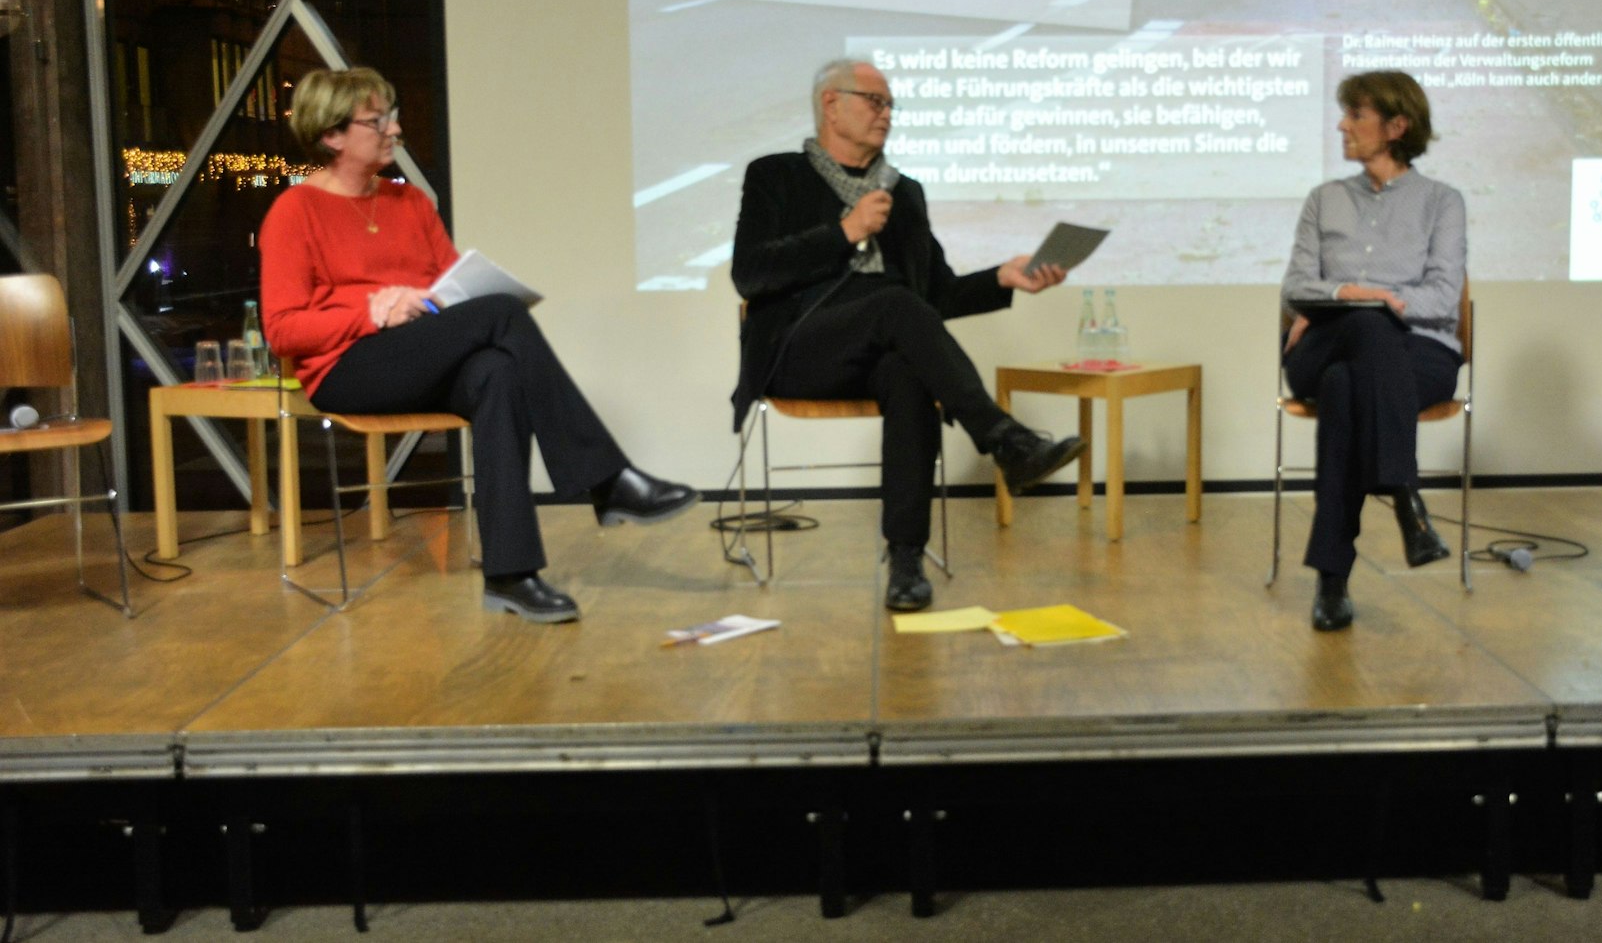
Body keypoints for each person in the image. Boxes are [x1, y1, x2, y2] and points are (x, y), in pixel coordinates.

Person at [261, 67, 699, 624]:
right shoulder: (294, 212)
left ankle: (511, 575)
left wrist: (441, 300)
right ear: (332, 135)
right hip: (347, 368)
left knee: (497, 370)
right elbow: (282, 330)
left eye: (392, 116)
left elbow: (451, 289)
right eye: (378, 121)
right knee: (500, 314)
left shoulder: (411, 203)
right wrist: (368, 311)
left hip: (417, 353)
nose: (395, 129)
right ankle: (608, 479)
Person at [731, 58, 1085, 613]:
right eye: (875, 101)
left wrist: (1001, 278)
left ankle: (905, 560)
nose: (886, 114)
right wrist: (844, 231)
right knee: (897, 306)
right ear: (830, 104)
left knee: (909, 367)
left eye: (892, 104)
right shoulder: (775, 176)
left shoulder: (906, 193)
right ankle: (1004, 438)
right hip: (798, 350)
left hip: (880, 346)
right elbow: (750, 275)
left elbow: (936, 297)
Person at [1281, 71, 1467, 631]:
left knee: (1347, 383)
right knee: (1365, 328)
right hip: (1324, 344)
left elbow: (1441, 296)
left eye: (1356, 115)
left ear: (1396, 126)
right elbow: (1295, 286)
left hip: (1421, 354)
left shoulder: (1442, 203)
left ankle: (1331, 580)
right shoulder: (1324, 200)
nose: (1342, 124)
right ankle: (1405, 496)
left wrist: (1379, 304)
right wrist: (1357, 295)